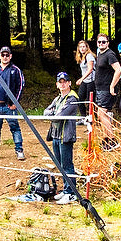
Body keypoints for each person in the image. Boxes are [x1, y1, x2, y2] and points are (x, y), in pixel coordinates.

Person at [44, 73, 82, 204]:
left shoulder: (72, 98)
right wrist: (53, 112)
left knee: (67, 165)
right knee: (60, 165)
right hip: (55, 135)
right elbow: (45, 112)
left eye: (65, 81)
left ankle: (71, 193)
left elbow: (59, 115)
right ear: (57, 85)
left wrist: (53, 113)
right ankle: (66, 190)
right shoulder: (58, 98)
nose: (62, 84)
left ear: (69, 83)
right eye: (60, 82)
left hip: (65, 137)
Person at [90, 33, 121, 143]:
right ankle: (106, 138)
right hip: (99, 88)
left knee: (101, 113)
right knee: (101, 114)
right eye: (99, 42)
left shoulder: (110, 54)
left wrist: (112, 86)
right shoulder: (100, 54)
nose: (101, 44)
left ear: (108, 43)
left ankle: (112, 140)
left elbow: (118, 70)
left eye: (103, 42)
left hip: (106, 89)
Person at [74, 40, 95, 126]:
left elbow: (90, 69)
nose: (82, 48)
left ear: (87, 47)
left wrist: (81, 79)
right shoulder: (81, 57)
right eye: (80, 47)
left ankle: (92, 119)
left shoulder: (89, 56)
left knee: (90, 100)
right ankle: (83, 118)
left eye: (83, 46)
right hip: (85, 81)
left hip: (91, 81)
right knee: (80, 99)